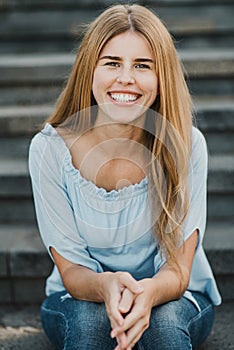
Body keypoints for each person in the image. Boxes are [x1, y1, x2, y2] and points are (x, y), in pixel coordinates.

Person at [29, 4, 221, 350]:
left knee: (164, 324)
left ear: (162, 79)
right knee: (90, 323)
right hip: (78, 296)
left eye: (143, 66)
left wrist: (148, 292)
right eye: (112, 63)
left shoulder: (187, 144)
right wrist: (107, 285)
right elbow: (72, 273)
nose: (126, 79)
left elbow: (178, 270)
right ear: (90, 70)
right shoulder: (49, 150)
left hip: (175, 295)